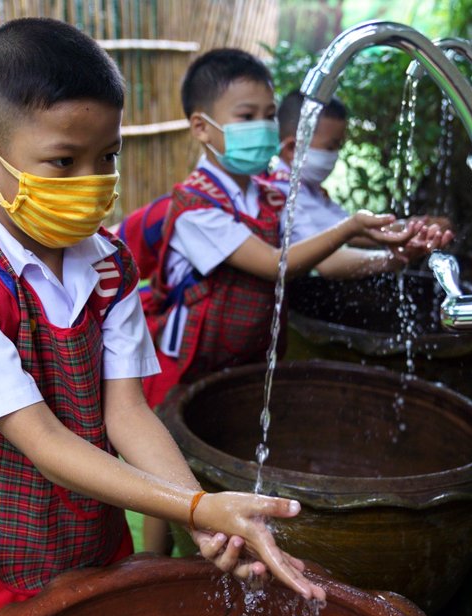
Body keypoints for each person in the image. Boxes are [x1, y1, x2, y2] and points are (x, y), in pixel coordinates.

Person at [0, 19, 324, 616]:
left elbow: (125, 410)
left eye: (106, 157)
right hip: (2, 546)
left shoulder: (108, 262)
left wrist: (202, 515)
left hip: (97, 517)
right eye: (63, 161)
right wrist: (196, 508)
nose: (92, 183)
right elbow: (42, 440)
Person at [139, 48, 440, 554]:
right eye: (246, 117)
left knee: (223, 450)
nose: (261, 128)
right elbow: (275, 262)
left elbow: (324, 261)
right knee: (170, 467)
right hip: (183, 359)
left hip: (241, 351)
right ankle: (153, 560)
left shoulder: (269, 194)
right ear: (203, 128)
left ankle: (220, 549)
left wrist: (393, 256)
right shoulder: (194, 208)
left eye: (266, 114)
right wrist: (349, 228)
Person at [266, 90, 454, 278]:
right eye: (330, 147)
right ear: (292, 148)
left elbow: (356, 232)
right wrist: (392, 258)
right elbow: (329, 263)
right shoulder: (283, 195)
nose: (335, 155)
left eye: (338, 147)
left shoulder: (309, 191)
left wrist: (413, 228)